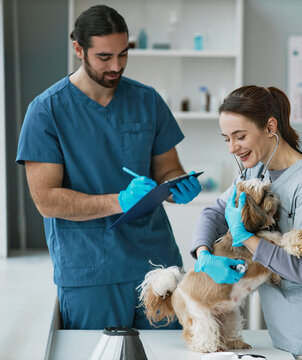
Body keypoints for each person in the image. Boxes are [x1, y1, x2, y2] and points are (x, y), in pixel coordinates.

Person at [15, 5, 201, 330]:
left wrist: (178, 186)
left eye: (123, 54)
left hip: (156, 264)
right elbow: (46, 200)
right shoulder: (46, 112)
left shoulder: (148, 101)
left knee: (171, 352)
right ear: (78, 49)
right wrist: (120, 201)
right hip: (90, 269)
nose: (116, 66)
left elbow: (168, 169)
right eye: (104, 57)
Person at [190, 85, 302, 355]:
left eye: (240, 136)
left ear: (270, 126)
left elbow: (301, 270)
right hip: (282, 325)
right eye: (226, 139)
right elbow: (213, 213)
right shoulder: (254, 172)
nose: (233, 148)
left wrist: (245, 237)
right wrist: (203, 253)